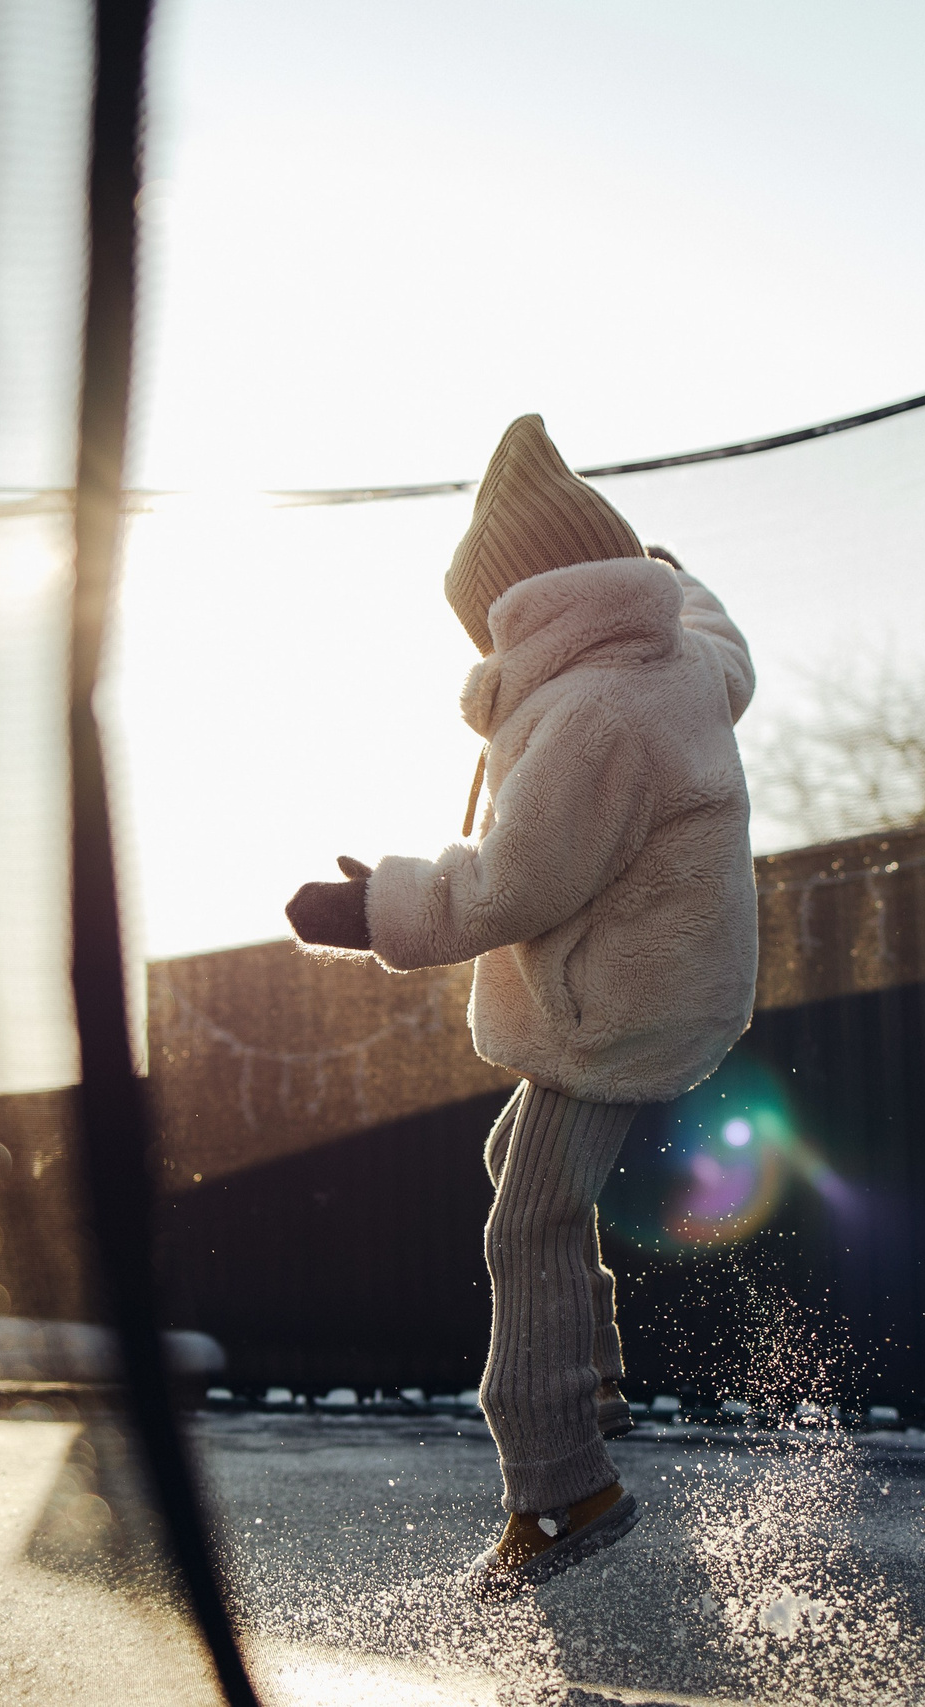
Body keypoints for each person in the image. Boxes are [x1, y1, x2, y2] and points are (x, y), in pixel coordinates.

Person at [284, 415, 758, 1598]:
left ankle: (561, 1489)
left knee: (525, 1221)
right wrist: (667, 575)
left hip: (610, 1008)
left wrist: (375, 909)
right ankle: (587, 1379)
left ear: (525, 610)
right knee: (524, 1169)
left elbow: (515, 880)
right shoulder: (678, 660)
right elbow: (718, 627)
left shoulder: (590, 716)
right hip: (670, 982)